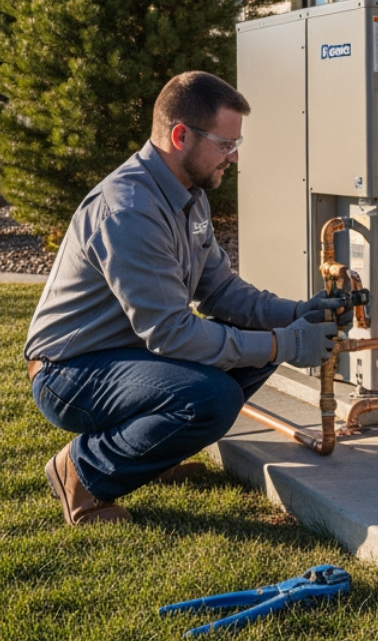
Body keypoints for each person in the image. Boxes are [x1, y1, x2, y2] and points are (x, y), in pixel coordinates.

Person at [24, 70, 342, 525]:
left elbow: (221, 290)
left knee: (258, 338)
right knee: (211, 398)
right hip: (70, 371)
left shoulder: (189, 195)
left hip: (128, 353)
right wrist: (285, 343)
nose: (234, 156)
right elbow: (171, 333)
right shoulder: (129, 210)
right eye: (226, 144)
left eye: (236, 144)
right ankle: (81, 471)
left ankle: (151, 455)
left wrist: (295, 314)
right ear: (180, 136)